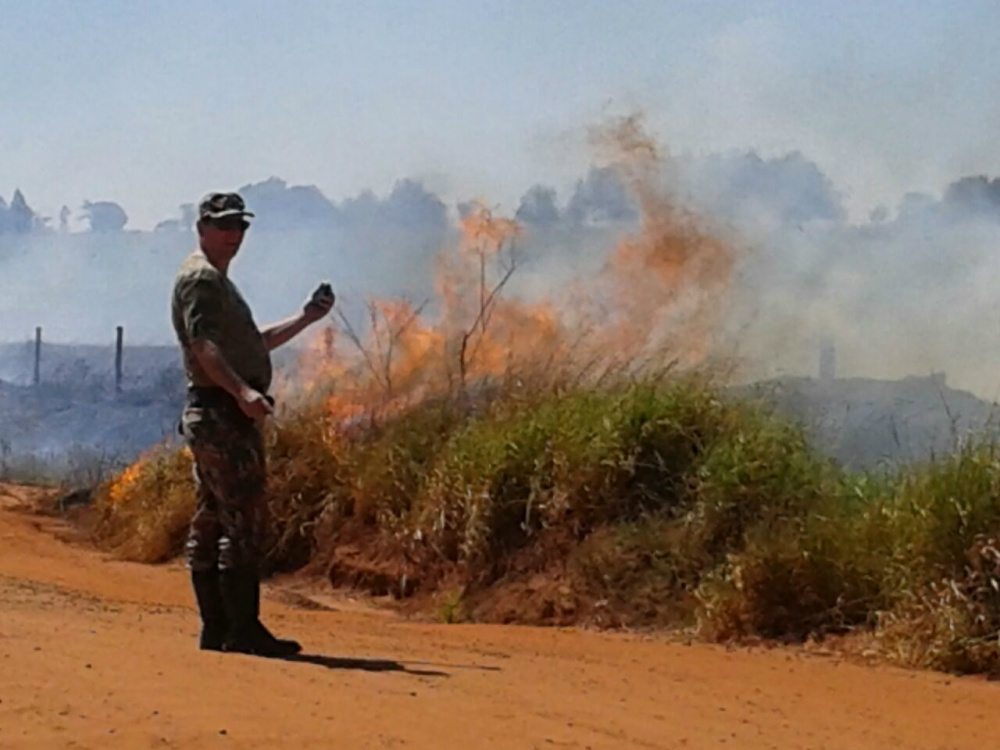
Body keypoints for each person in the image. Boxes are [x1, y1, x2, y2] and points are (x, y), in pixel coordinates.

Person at [171, 192, 335, 656]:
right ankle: (240, 629)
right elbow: (204, 346)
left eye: (240, 226)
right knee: (243, 521)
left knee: (211, 519)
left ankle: (218, 628)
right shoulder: (202, 280)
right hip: (221, 414)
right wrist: (242, 393)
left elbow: (255, 343)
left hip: (214, 412)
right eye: (223, 225)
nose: (233, 234)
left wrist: (307, 318)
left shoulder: (215, 281)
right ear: (202, 228)